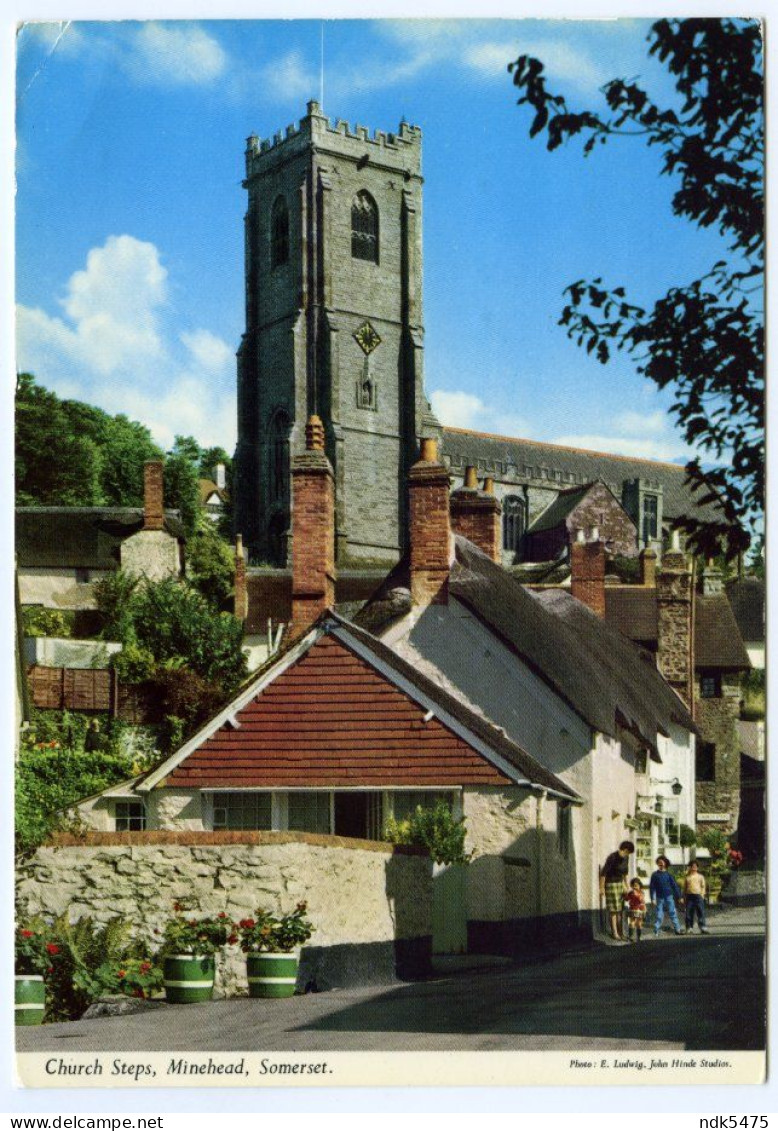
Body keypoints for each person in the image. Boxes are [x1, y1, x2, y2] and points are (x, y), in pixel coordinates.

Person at [599, 840, 635, 940]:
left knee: (621, 910)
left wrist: (626, 886)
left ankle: (621, 933)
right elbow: (603, 873)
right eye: (627, 852)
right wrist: (601, 888)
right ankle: (615, 933)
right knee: (614, 910)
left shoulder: (626, 858)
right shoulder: (613, 857)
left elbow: (624, 874)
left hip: (620, 883)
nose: (627, 855)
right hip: (611, 884)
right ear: (624, 849)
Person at [649, 855, 683, 936]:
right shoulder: (655, 875)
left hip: (669, 897)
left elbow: (675, 886)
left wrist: (679, 897)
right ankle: (656, 930)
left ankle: (677, 929)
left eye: (662, 862)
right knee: (659, 914)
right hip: (659, 898)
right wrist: (652, 899)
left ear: (665, 863)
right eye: (659, 862)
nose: (660, 863)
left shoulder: (668, 875)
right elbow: (652, 887)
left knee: (672, 913)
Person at [683, 860, 709, 934]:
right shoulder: (687, 877)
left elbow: (703, 886)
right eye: (692, 866)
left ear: (697, 867)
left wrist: (702, 895)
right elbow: (684, 888)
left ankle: (702, 926)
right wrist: (683, 897)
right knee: (689, 912)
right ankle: (689, 927)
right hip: (689, 896)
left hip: (698, 896)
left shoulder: (700, 877)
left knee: (700, 911)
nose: (694, 868)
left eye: (695, 866)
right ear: (690, 867)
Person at [624, 877, 646, 942]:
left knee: (639, 923)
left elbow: (641, 900)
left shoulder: (641, 892)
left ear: (640, 886)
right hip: (633, 909)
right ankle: (631, 936)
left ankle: (639, 936)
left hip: (640, 909)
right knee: (632, 922)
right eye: (633, 886)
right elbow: (627, 899)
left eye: (636, 886)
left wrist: (636, 894)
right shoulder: (631, 893)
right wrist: (625, 895)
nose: (634, 887)